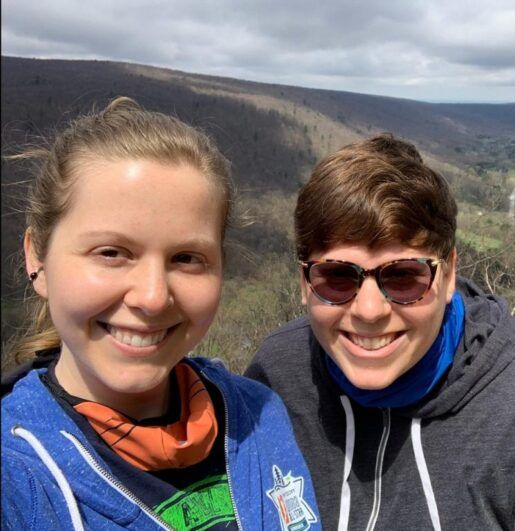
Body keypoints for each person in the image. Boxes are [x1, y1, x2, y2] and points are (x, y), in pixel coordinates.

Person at [245, 133, 515, 530]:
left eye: (404, 277)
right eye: (338, 277)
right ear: (305, 282)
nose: (370, 311)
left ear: (448, 276)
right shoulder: (276, 378)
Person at [1, 97, 320, 531]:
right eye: (111, 252)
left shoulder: (259, 416)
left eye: (187, 258)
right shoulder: (17, 473)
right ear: (37, 257)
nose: (152, 298)